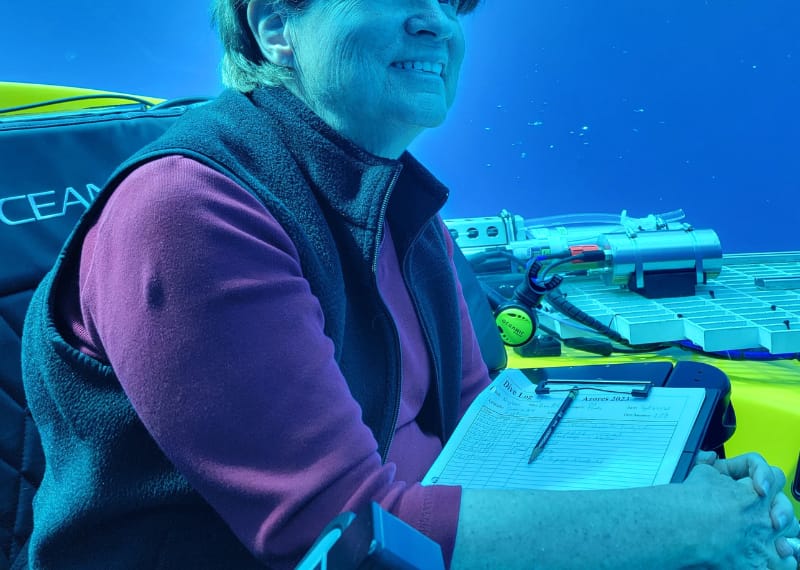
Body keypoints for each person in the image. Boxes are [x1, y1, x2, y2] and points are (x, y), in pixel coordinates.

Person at [20, 0, 800, 568]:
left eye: (452, 1)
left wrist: (691, 492)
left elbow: (490, 433)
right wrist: (679, 527)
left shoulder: (401, 208)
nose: (438, 22)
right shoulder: (189, 209)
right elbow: (343, 537)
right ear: (275, 27)